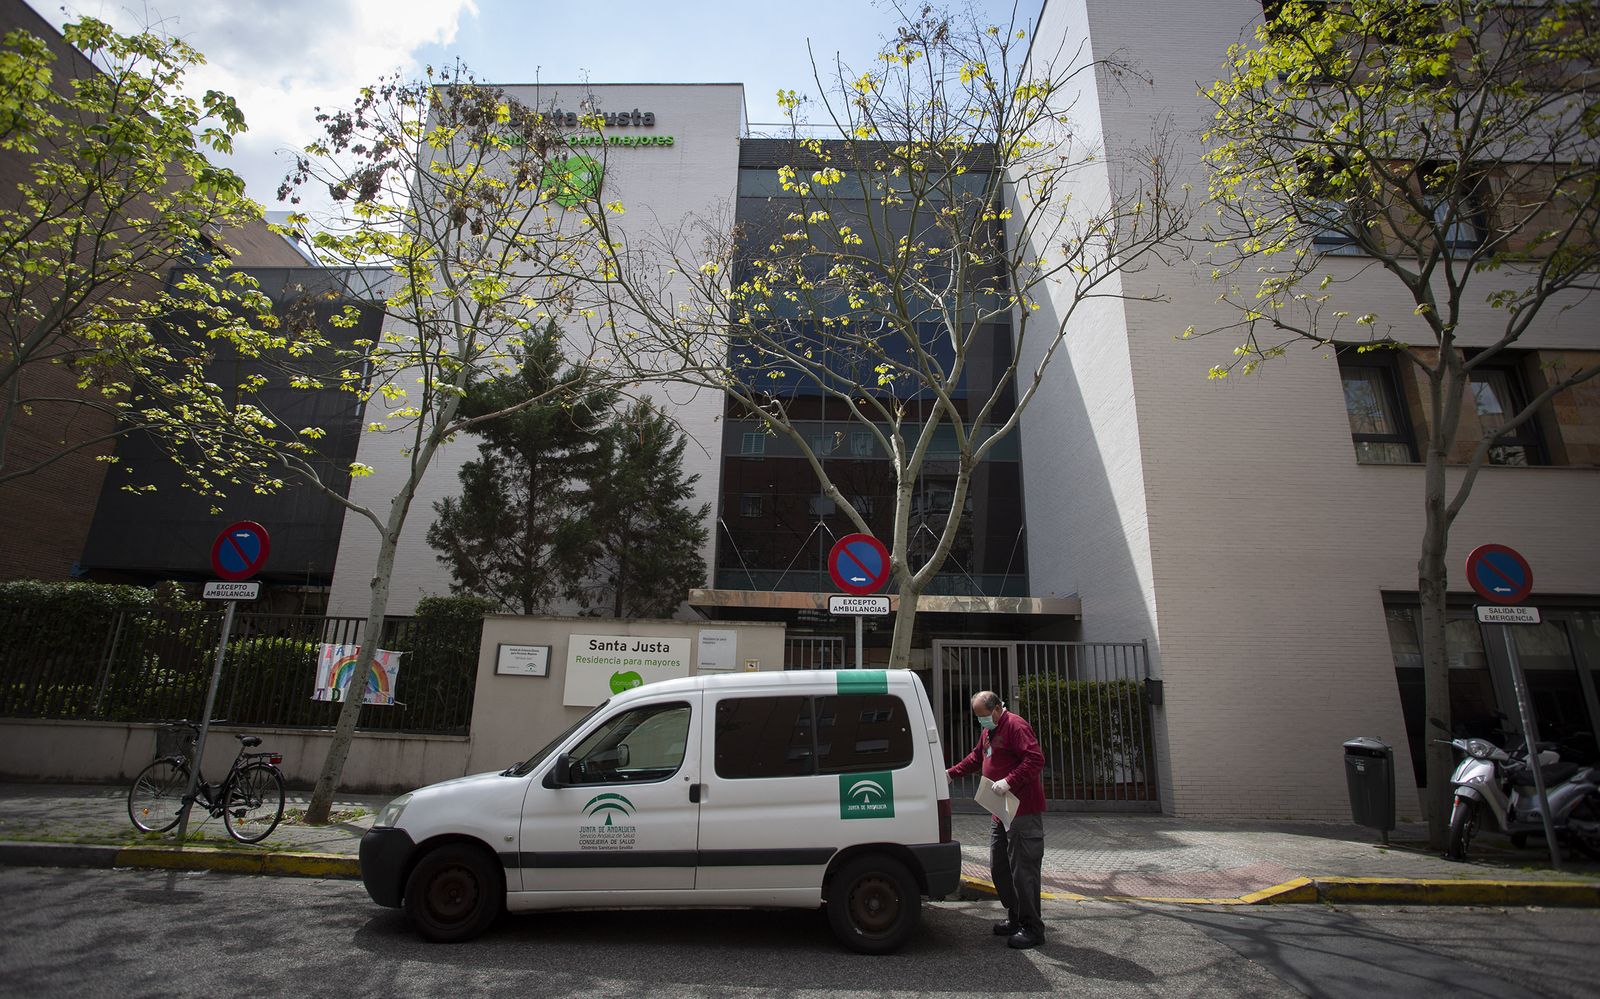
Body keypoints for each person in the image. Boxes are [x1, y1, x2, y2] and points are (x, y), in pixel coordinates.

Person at [946, 690, 1046, 949]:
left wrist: (1008, 781)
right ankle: (1015, 916)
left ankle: (1032, 927)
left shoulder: (1015, 725)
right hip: (1000, 811)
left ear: (997, 709)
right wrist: (951, 774)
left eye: (983, 716)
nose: (981, 721)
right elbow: (977, 758)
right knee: (999, 867)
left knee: (1023, 871)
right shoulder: (989, 732)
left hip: (1021, 810)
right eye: (978, 717)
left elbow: (1035, 759)